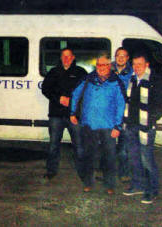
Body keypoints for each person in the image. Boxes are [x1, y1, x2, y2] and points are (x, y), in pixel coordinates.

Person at [70, 53, 125, 195]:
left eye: (105, 65)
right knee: (88, 156)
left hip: (108, 126)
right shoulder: (88, 79)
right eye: (99, 65)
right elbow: (75, 94)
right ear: (96, 66)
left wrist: (118, 126)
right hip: (89, 124)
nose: (102, 67)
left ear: (110, 66)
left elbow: (121, 104)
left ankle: (110, 185)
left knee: (110, 157)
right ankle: (88, 183)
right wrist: (72, 113)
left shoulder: (116, 81)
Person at [122, 53, 162, 204]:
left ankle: (152, 191)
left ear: (147, 65)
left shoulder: (155, 80)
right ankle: (138, 185)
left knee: (147, 160)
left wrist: (148, 122)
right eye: (134, 64)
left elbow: (161, 107)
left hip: (145, 128)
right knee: (134, 159)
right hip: (131, 126)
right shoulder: (133, 79)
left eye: (140, 64)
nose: (137, 67)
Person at [41, 48, 87, 179]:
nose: (66, 59)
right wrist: (58, 98)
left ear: (73, 58)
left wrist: (71, 100)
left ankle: (82, 172)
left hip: (74, 116)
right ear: (61, 58)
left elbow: (85, 91)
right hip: (56, 115)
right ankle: (51, 170)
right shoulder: (53, 72)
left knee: (79, 146)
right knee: (53, 145)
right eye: (63, 56)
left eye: (68, 56)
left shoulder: (80, 72)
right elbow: (45, 89)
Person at [112, 47, 133, 183]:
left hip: (125, 115)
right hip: (109, 114)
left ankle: (123, 173)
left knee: (123, 149)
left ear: (127, 58)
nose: (120, 58)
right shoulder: (107, 70)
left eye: (123, 56)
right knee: (107, 146)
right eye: (118, 55)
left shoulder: (133, 73)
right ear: (115, 56)